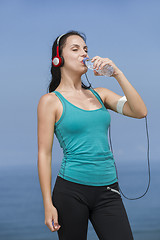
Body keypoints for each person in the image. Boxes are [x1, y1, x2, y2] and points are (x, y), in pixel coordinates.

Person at [37, 30, 147, 240]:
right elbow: (44, 154)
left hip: (108, 190)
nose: (84, 54)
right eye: (75, 49)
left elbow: (140, 111)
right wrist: (47, 204)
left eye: (85, 49)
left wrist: (117, 73)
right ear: (58, 58)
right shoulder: (50, 101)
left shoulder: (101, 94)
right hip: (70, 191)